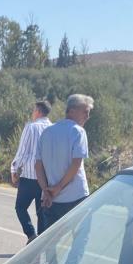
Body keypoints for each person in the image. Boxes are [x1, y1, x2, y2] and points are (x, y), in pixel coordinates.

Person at [35, 94, 93, 229]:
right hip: (76, 197)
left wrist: (46, 191)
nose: (87, 116)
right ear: (71, 111)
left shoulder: (47, 133)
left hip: (52, 200)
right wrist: (58, 188)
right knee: (81, 239)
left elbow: (38, 166)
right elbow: (76, 164)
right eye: (85, 112)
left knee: (50, 242)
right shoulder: (78, 131)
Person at [10, 100, 52, 242]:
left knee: (20, 207)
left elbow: (22, 152)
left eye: (34, 110)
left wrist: (14, 170)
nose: (32, 113)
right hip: (46, 179)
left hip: (29, 176)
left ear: (38, 111)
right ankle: (40, 243)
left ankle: (31, 234)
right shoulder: (53, 129)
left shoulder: (31, 127)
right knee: (41, 213)